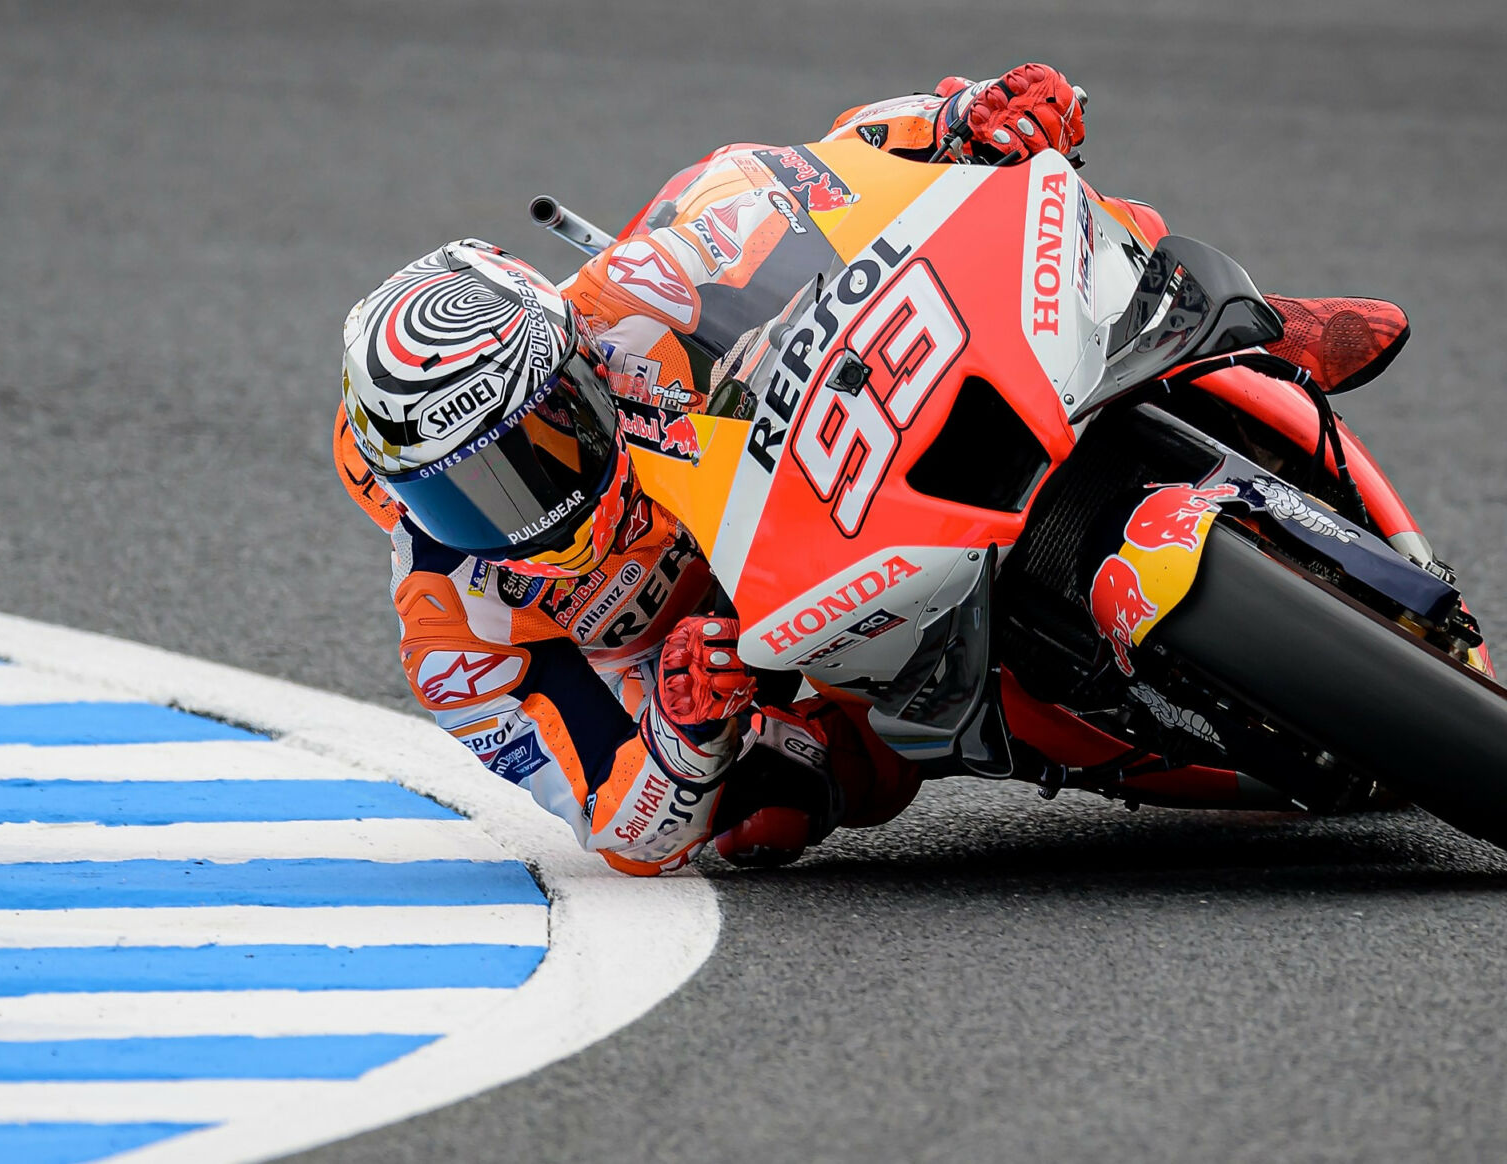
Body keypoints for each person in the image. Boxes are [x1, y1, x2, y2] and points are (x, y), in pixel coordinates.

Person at [332, 63, 1411, 876]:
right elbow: (614, 827)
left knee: (1042, 222)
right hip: (779, 639)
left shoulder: (641, 288)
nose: (532, 496)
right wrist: (679, 732)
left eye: (542, 434)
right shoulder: (453, 637)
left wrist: (966, 120)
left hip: (847, 441)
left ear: (569, 354)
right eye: (464, 492)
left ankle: (1251, 330)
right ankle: (1069, 743)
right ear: (397, 492)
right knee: (764, 816)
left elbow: (836, 166)